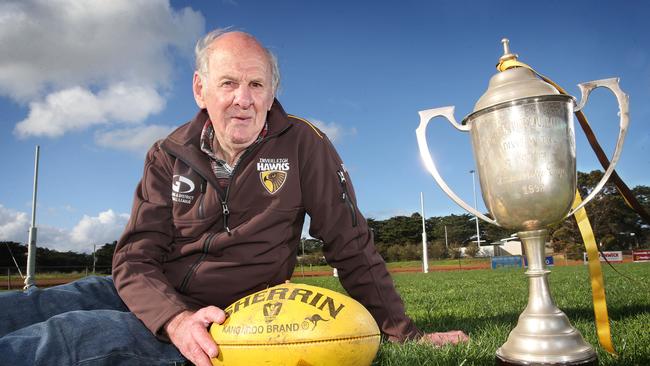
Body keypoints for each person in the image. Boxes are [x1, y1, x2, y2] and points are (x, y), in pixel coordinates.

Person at [0, 29, 467, 366]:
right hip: (153, 296)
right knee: (31, 306)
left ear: (271, 91)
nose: (243, 98)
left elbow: (350, 243)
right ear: (201, 90)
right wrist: (172, 317)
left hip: (226, 317)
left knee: (61, 337)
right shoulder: (167, 153)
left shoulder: (305, 144)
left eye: (256, 84)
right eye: (228, 83)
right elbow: (134, 259)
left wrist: (403, 334)